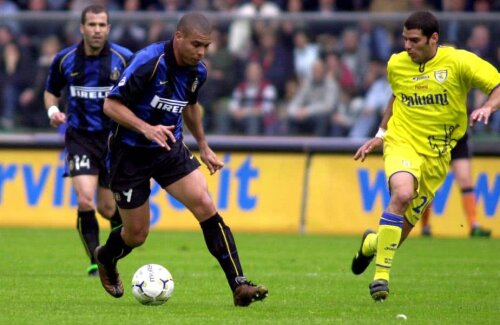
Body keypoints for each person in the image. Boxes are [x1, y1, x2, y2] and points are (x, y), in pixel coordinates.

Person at [95, 12, 269, 307]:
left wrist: (204, 144)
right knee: (136, 235)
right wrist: (147, 129)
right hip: (129, 153)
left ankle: (239, 284)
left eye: (207, 46)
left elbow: (190, 107)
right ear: (179, 38)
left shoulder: (197, 71)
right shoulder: (149, 62)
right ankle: (105, 256)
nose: (201, 52)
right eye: (196, 45)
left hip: (169, 149)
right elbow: (110, 104)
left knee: (206, 205)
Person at [350, 11, 500, 302]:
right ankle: (381, 278)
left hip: (438, 154)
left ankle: (370, 244)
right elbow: (397, 97)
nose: (407, 46)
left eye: (414, 40)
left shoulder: (459, 61)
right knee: (402, 193)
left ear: (434, 39)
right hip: (402, 142)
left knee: (400, 231)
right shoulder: (397, 63)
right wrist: (380, 136)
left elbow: (497, 86)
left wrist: (488, 108)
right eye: (405, 39)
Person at [44, 4, 132, 276]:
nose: (97, 30)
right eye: (92, 25)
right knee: (84, 200)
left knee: (108, 208)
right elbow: (50, 91)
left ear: (108, 28)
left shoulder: (125, 59)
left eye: (101, 25)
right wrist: (53, 111)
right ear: (82, 28)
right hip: (80, 138)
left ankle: (111, 253)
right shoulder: (65, 59)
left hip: (113, 141)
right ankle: (95, 259)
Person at [420, 133, 492, 237]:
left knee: (465, 180)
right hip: (436, 135)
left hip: (458, 137)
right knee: (430, 182)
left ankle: (474, 225)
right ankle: (425, 225)